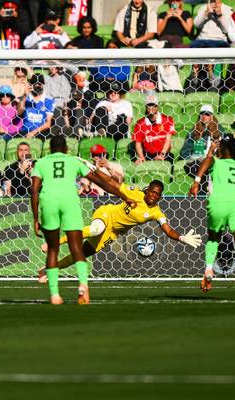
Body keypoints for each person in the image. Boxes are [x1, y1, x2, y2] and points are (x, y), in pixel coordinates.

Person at [31, 135, 136, 305]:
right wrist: (124, 196)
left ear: (49, 149)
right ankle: (82, 285)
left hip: (48, 202)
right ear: (66, 149)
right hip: (69, 202)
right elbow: (102, 183)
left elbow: (34, 190)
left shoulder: (41, 163)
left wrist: (36, 218)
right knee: (77, 247)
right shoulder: (73, 161)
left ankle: (55, 295)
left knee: (52, 250)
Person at [38, 179, 201, 281]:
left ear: (160, 196)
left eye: (157, 194)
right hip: (106, 214)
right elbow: (113, 183)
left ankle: (49, 269)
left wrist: (182, 238)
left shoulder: (156, 212)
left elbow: (168, 230)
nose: (153, 195)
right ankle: (54, 243)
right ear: (147, 190)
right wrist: (94, 173)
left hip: (113, 233)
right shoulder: (135, 193)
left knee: (79, 254)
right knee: (95, 229)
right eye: (151, 191)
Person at [190, 136, 235, 301]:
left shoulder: (217, 162)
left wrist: (196, 182)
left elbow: (207, 161)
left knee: (214, 237)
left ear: (220, 150)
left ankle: (208, 269)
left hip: (218, 203)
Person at [180, 104, 224, 185]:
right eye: (202, 114)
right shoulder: (194, 130)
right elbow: (184, 151)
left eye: (207, 114)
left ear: (212, 116)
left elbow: (224, 148)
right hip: (196, 162)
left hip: (213, 161)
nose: (204, 116)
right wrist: (193, 156)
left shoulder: (219, 130)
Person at [132, 94, 176, 164]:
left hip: (164, 155)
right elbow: (138, 143)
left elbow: (168, 140)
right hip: (148, 155)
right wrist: (141, 157)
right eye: (149, 105)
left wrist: (162, 155)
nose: (151, 107)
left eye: (154, 105)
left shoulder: (168, 120)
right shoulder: (140, 123)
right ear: (146, 106)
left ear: (157, 106)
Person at [18, 73, 54, 140]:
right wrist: (25, 95)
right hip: (25, 131)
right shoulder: (25, 98)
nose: (37, 86)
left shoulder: (49, 100)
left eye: (39, 84)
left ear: (43, 85)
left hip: (41, 132)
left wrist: (33, 132)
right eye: (35, 84)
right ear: (31, 85)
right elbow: (19, 112)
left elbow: (48, 123)